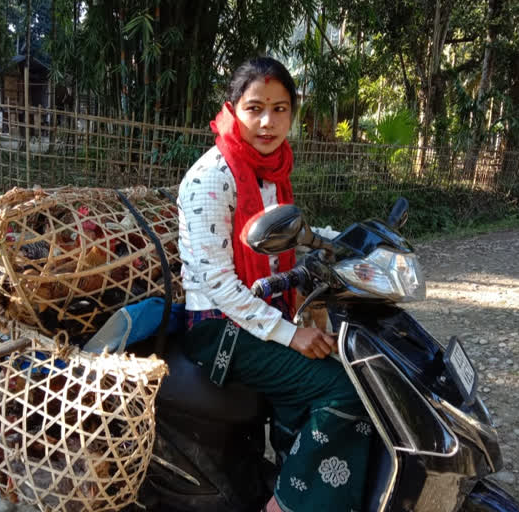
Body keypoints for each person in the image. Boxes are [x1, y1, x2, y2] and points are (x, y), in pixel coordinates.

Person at [177, 56, 371, 512]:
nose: (268, 122)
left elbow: (289, 231)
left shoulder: (271, 170)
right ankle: (285, 506)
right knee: (347, 390)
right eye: (255, 108)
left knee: (346, 360)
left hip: (261, 312)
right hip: (217, 327)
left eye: (280, 109)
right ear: (233, 109)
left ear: (293, 113)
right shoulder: (211, 177)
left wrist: (347, 244)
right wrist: (293, 334)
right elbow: (221, 285)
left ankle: (284, 473)